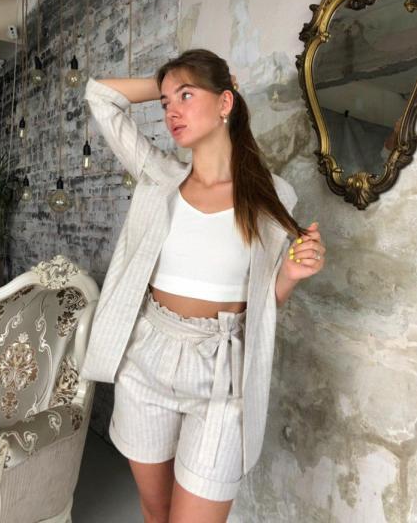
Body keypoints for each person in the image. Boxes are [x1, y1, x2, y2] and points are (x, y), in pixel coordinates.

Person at [80, 48, 325, 522]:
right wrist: (170, 83)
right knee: (156, 512)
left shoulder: (273, 196)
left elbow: (264, 304)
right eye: (166, 102)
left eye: (187, 96)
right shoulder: (159, 176)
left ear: (225, 102)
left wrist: (290, 275)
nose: (171, 111)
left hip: (223, 370)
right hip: (147, 356)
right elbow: (101, 96)